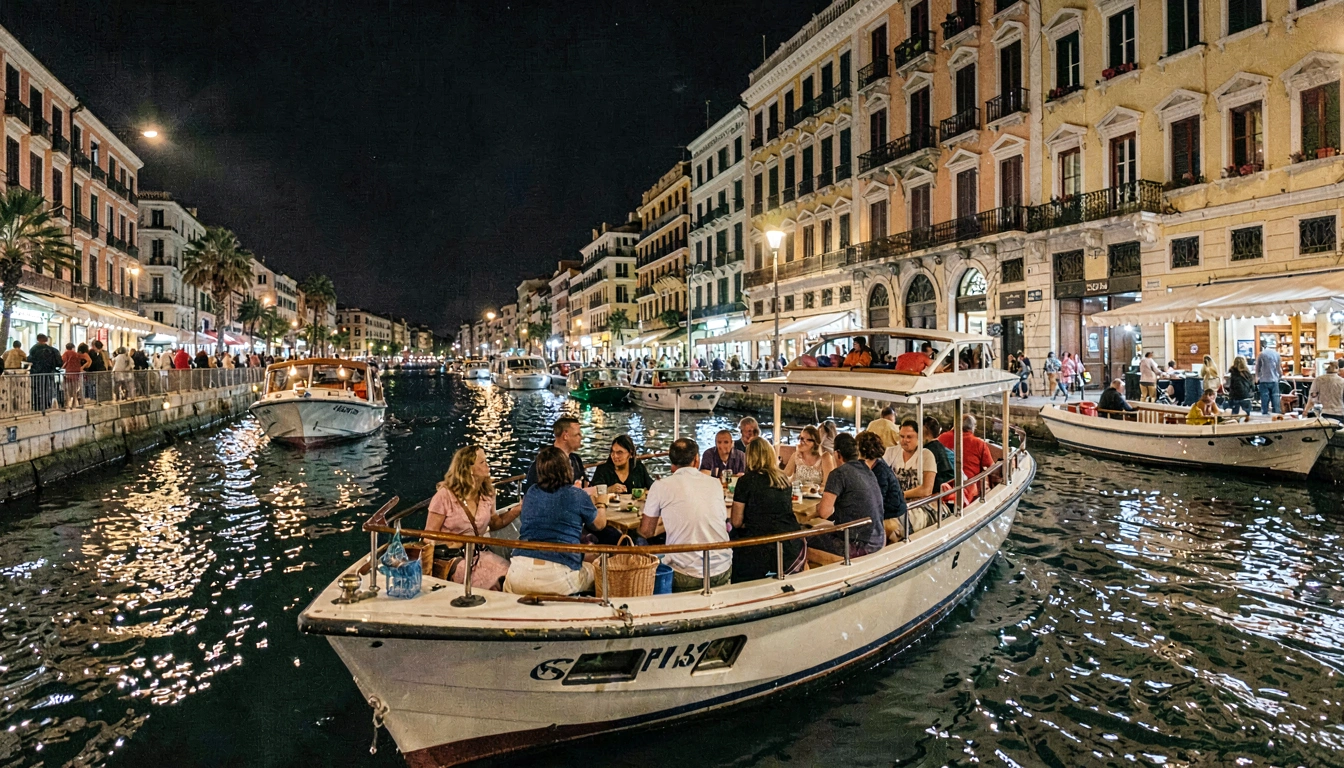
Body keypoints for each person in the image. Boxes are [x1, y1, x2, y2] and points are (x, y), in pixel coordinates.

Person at [505, 446, 605, 596]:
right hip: (558, 578)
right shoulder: (577, 495)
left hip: (519, 572)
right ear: (566, 469)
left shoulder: (531, 492)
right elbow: (600, 524)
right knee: (599, 571)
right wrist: (601, 504)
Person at [638, 438, 731, 591]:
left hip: (686, 574)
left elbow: (647, 532)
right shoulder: (715, 484)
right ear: (696, 459)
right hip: (722, 568)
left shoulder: (660, 486)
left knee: (651, 555)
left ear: (672, 463)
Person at [426, 445, 519, 590]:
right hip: (451, 558)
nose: (487, 465)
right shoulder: (444, 496)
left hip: (478, 554)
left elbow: (495, 523)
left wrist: (518, 509)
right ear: (469, 469)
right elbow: (428, 536)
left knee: (510, 574)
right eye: (482, 462)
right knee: (490, 583)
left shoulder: (487, 494)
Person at [729, 437, 803, 582]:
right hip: (789, 544)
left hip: (758, 547)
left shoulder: (746, 481)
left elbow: (736, 521)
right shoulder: (783, 480)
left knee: (733, 534)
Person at [813, 433, 885, 560]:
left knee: (802, 539)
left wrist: (815, 510)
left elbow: (824, 513)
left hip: (859, 545)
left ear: (837, 454)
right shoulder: (867, 470)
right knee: (821, 528)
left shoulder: (838, 473)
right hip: (879, 538)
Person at [857, 431, 908, 543]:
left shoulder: (880, 471)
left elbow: (878, 502)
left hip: (892, 516)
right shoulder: (875, 466)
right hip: (886, 513)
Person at [525, 416, 589, 491]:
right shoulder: (544, 463)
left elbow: (585, 484)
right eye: (577, 434)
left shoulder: (576, 460)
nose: (581, 437)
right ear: (565, 436)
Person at [937, 414, 996, 492]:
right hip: (969, 488)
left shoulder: (941, 438)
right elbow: (992, 467)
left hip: (942, 485)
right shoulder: (978, 443)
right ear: (972, 427)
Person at [886, 420, 936, 503]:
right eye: (902, 436)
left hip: (917, 504)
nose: (905, 440)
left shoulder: (926, 455)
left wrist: (901, 495)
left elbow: (927, 489)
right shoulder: (891, 452)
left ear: (918, 437)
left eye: (909, 437)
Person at [589, 435, 654, 493]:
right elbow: (592, 492)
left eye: (619, 452)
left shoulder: (638, 468)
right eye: (613, 452)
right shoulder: (602, 470)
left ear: (630, 454)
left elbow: (652, 488)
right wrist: (609, 490)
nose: (615, 456)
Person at [784, 424, 834, 489]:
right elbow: (784, 476)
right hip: (798, 495)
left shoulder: (825, 457)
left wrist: (814, 491)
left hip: (818, 496)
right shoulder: (796, 456)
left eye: (804, 440)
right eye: (800, 438)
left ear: (815, 442)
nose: (801, 442)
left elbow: (828, 484)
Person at [26, 334, 63, 411]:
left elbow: (29, 360)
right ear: (46, 340)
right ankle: (46, 404)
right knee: (47, 388)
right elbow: (59, 362)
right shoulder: (53, 350)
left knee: (36, 389)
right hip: (49, 373)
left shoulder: (33, 349)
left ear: (38, 339)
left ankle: (36, 405)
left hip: (36, 373)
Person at [1255, 341, 1282, 415]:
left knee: (1264, 399)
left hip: (1263, 380)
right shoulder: (1277, 354)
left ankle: (1264, 414)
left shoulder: (1261, 354)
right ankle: (1277, 414)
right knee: (1275, 398)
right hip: (1274, 380)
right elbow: (1278, 368)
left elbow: (1257, 367)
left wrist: (1257, 377)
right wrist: (1280, 375)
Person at [61, 342, 86, 407]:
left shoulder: (65, 354)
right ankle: (75, 402)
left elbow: (63, 362)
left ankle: (68, 403)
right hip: (76, 374)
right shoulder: (76, 354)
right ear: (73, 348)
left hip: (68, 374)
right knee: (75, 390)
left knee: (67, 390)